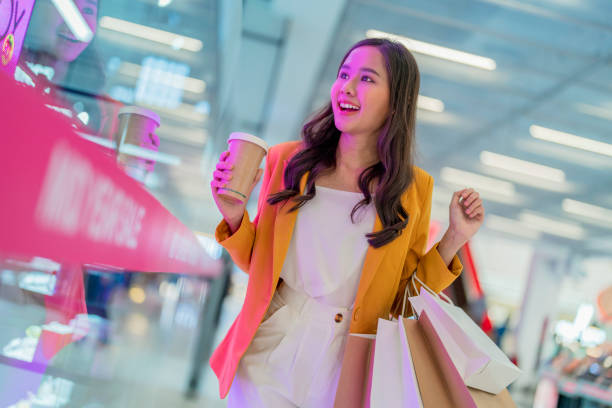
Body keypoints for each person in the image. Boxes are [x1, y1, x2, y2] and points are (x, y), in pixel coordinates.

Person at [210, 38, 485, 407]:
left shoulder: (413, 189)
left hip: (351, 360)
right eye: (344, 74)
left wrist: (454, 238)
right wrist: (233, 216)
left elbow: (405, 295)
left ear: (396, 100)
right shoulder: (288, 161)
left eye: (368, 79)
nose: (348, 87)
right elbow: (259, 264)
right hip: (272, 343)